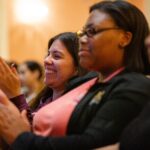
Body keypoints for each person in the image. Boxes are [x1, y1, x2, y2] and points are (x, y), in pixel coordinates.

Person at [0, 0, 150, 149]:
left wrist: (22, 137)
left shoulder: (134, 86)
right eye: (83, 32)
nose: (83, 40)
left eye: (92, 32)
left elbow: (91, 143)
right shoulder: (87, 83)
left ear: (125, 38)